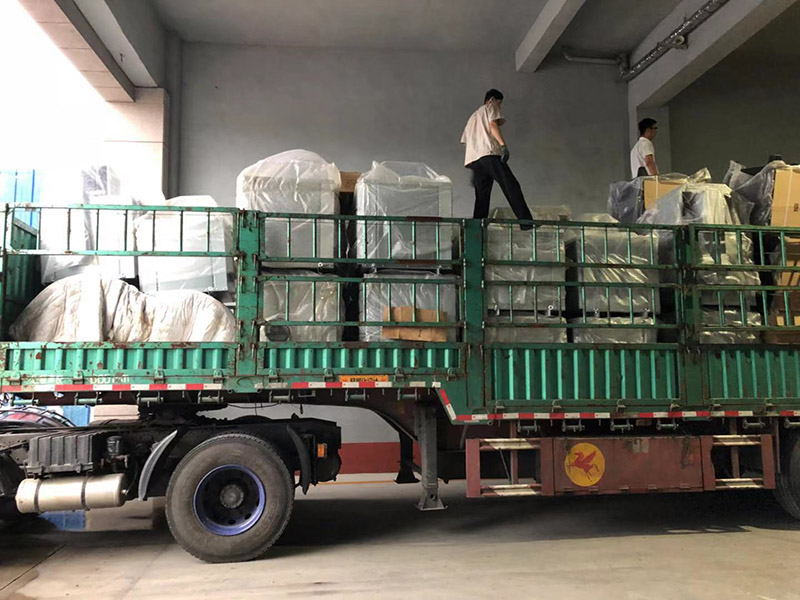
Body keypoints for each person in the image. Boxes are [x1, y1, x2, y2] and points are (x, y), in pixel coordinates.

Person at [461, 89, 533, 228]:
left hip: (475, 160)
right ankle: (526, 222)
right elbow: (493, 125)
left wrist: (475, 170)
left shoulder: (472, 118)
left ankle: (477, 229)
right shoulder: (490, 107)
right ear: (492, 99)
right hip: (489, 154)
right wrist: (503, 146)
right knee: (510, 185)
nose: (499, 107)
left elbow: (466, 142)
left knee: (482, 196)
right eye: (500, 104)